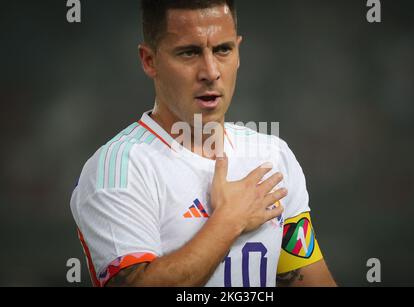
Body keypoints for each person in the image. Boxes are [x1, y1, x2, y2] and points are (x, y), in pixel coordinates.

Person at [70, 0, 336, 287]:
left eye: (223, 50)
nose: (210, 72)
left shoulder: (272, 156)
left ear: (238, 51)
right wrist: (229, 221)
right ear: (150, 60)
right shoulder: (118, 169)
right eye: (189, 53)